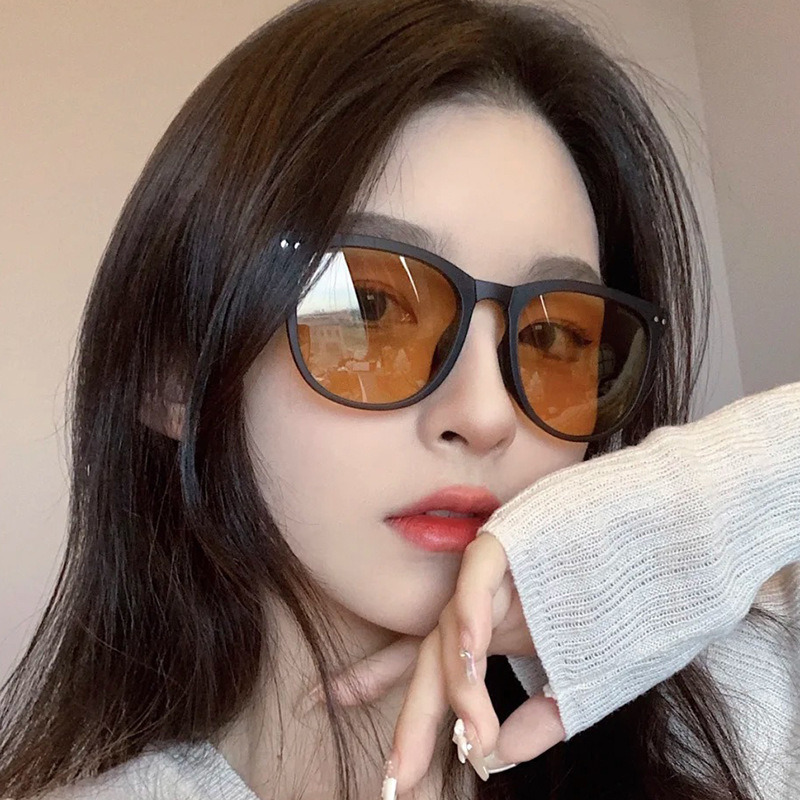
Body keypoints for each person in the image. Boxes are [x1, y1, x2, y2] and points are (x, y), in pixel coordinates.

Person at [0, 1, 797, 799]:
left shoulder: (740, 716)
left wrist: (681, 524)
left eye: (555, 336)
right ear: (174, 373)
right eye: (372, 307)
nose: (485, 416)